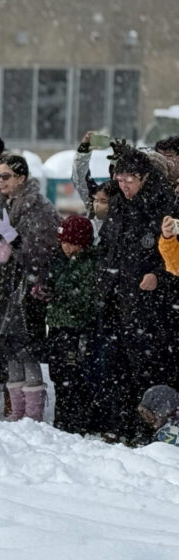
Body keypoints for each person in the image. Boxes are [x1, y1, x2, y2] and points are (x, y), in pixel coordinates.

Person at [98, 145, 176, 443]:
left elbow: (172, 252)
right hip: (117, 294)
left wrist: (157, 274)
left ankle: (148, 429)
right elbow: (108, 245)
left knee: (147, 366)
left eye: (129, 179)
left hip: (151, 303)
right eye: (119, 180)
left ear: (143, 177)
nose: (124, 185)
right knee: (115, 365)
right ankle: (119, 424)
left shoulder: (163, 205)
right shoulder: (118, 204)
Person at [0, 155, 60, 422]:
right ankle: (16, 411)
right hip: (6, 284)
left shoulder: (39, 208)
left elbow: (42, 252)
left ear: (21, 178)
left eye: (6, 177)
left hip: (29, 286)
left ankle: (34, 413)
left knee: (27, 347)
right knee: (7, 346)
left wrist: (13, 239)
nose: (0, 182)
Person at [45, 215, 100, 435]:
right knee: (58, 374)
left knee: (73, 376)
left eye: (71, 243)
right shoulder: (59, 260)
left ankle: (75, 422)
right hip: (58, 325)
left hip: (77, 329)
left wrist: (58, 295)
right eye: (64, 242)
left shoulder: (89, 264)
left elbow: (84, 298)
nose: (66, 247)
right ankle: (62, 420)